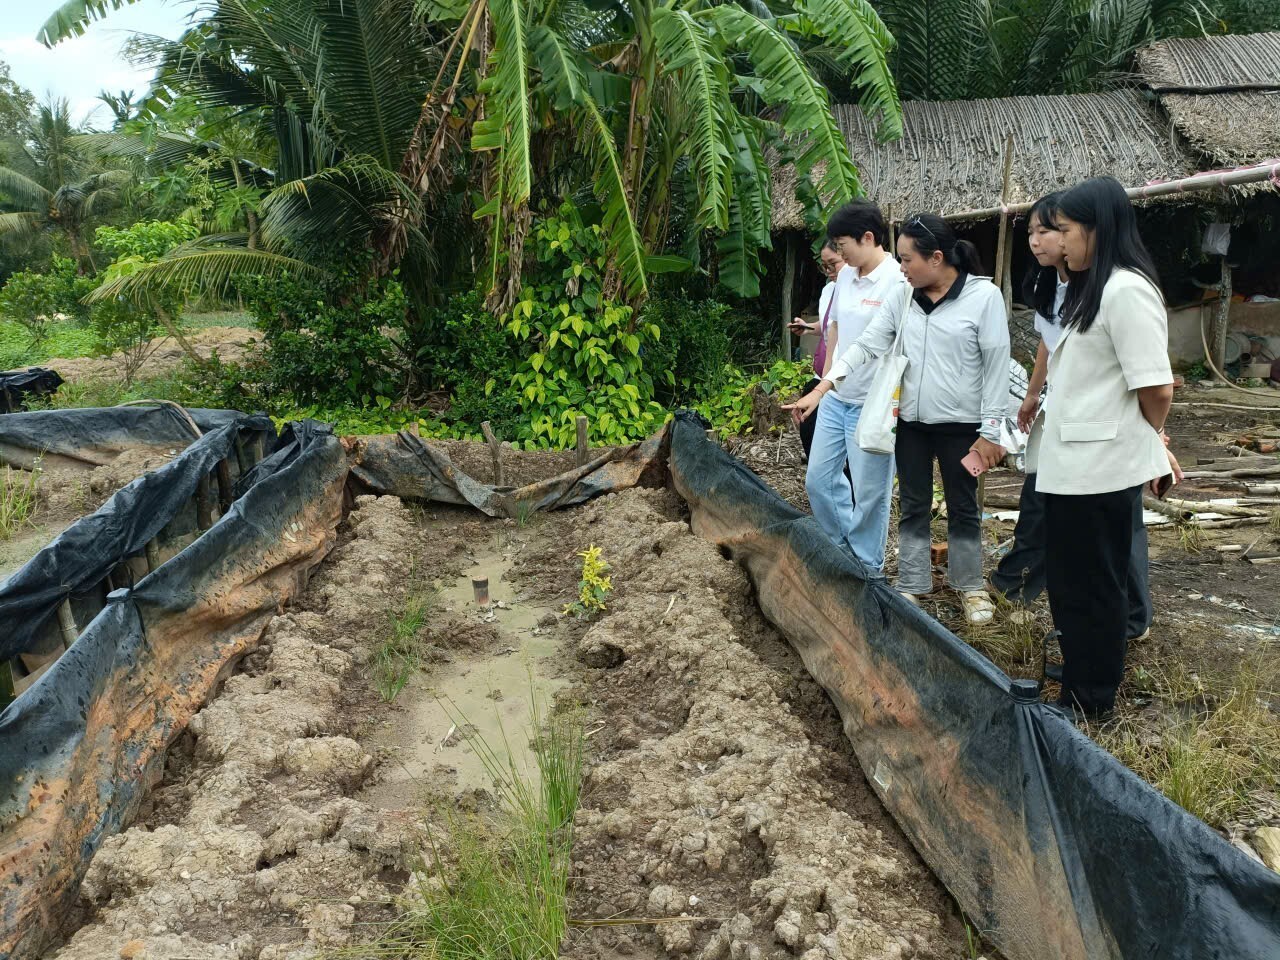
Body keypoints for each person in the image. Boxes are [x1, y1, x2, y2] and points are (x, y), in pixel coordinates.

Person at [785, 213, 1010, 624]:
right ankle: (912, 583)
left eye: (907, 260)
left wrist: (991, 431)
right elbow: (866, 346)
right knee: (913, 505)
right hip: (910, 423)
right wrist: (823, 386)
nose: (901, 268)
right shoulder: (904, 298)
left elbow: (996, 368)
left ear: (936, 258)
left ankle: (969, 586)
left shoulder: (983, 297)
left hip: (962, 426)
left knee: (961, 507)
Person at [1026, 176, 1181, 718]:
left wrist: (1148, 439)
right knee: (1071, 581)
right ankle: (1080, 670)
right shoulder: (1091, 287)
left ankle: (1091, 700)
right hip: (1074, 462)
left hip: (1102, 466)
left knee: (1096, 585)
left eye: (1065, 230)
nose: (1058, 241)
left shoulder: (1126, 290)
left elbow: (1155, 387)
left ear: (1098, 228)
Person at [990, 194, 1154, 646]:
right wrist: (1033, 393)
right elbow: (1049, 345)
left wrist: (1153, 434)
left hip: (1098, 430)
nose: (1040, 241)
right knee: (1048, 504)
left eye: (1052, 230)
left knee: (1117, 522)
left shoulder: (1113, 290)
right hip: (1061, 418)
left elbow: (1151, 382)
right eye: (1033, 232)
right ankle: (1035, 593)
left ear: (1085, 231)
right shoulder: (1053, 286)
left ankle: (1130, 618)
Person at [789, 201, 907, 575]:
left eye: (843, 246)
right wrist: (823, 383)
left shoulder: (898, 281)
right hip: (838, 397)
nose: (839, 254)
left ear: (868, 238)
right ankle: (842, 553)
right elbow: (836, 329)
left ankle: (868, 570)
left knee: (870, 496)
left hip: (874, 404)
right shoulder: (844, 279)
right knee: (819, 482)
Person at [788, 242, 847, 458]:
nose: (829, 271)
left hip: (840, 378)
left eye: (834, 264)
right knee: (808, 426)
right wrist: (806, 328)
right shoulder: (828, 290)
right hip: (820, 373)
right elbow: (829, 325)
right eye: (824, 266)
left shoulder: (856, 293)